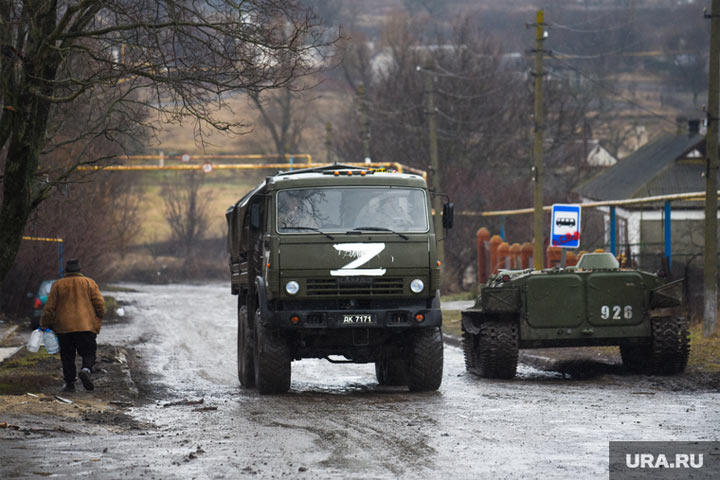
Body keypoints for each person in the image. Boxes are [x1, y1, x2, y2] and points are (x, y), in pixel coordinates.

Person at [40, 259, 105, 392]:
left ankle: (70, 384)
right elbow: (100, 304)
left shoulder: (57, 285)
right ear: (80, 270)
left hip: (64, 327)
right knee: (88, 352)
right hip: (85, 326)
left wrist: (44, 324)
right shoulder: (89, 283)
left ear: (66, 271)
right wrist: (98, 316)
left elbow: (49, 307)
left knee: (67, 356)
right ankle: (86, 369)